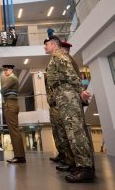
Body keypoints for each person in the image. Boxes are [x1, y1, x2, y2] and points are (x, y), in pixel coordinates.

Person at [44, 36, 95, 183]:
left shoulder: (60, 56)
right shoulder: (55, 57)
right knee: (71, 133)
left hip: (68, 97)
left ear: (54, 44)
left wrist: (81, 91)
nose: (45, 47)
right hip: (63, 97)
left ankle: (86, 168)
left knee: (76, 131)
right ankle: (79, 165)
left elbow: (71, 75)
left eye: (47, 45)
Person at [0, 64, 26, 164]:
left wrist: (4, 89)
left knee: (14, 131)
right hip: (10, 103)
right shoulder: (11, 79)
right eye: (4, 70)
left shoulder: (11, 79)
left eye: (6, 70)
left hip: (11, 104)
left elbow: (2, 90)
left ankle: (19, 156)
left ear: (11, 70)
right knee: (13, 130)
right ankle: (19, 155)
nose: (5, 72)